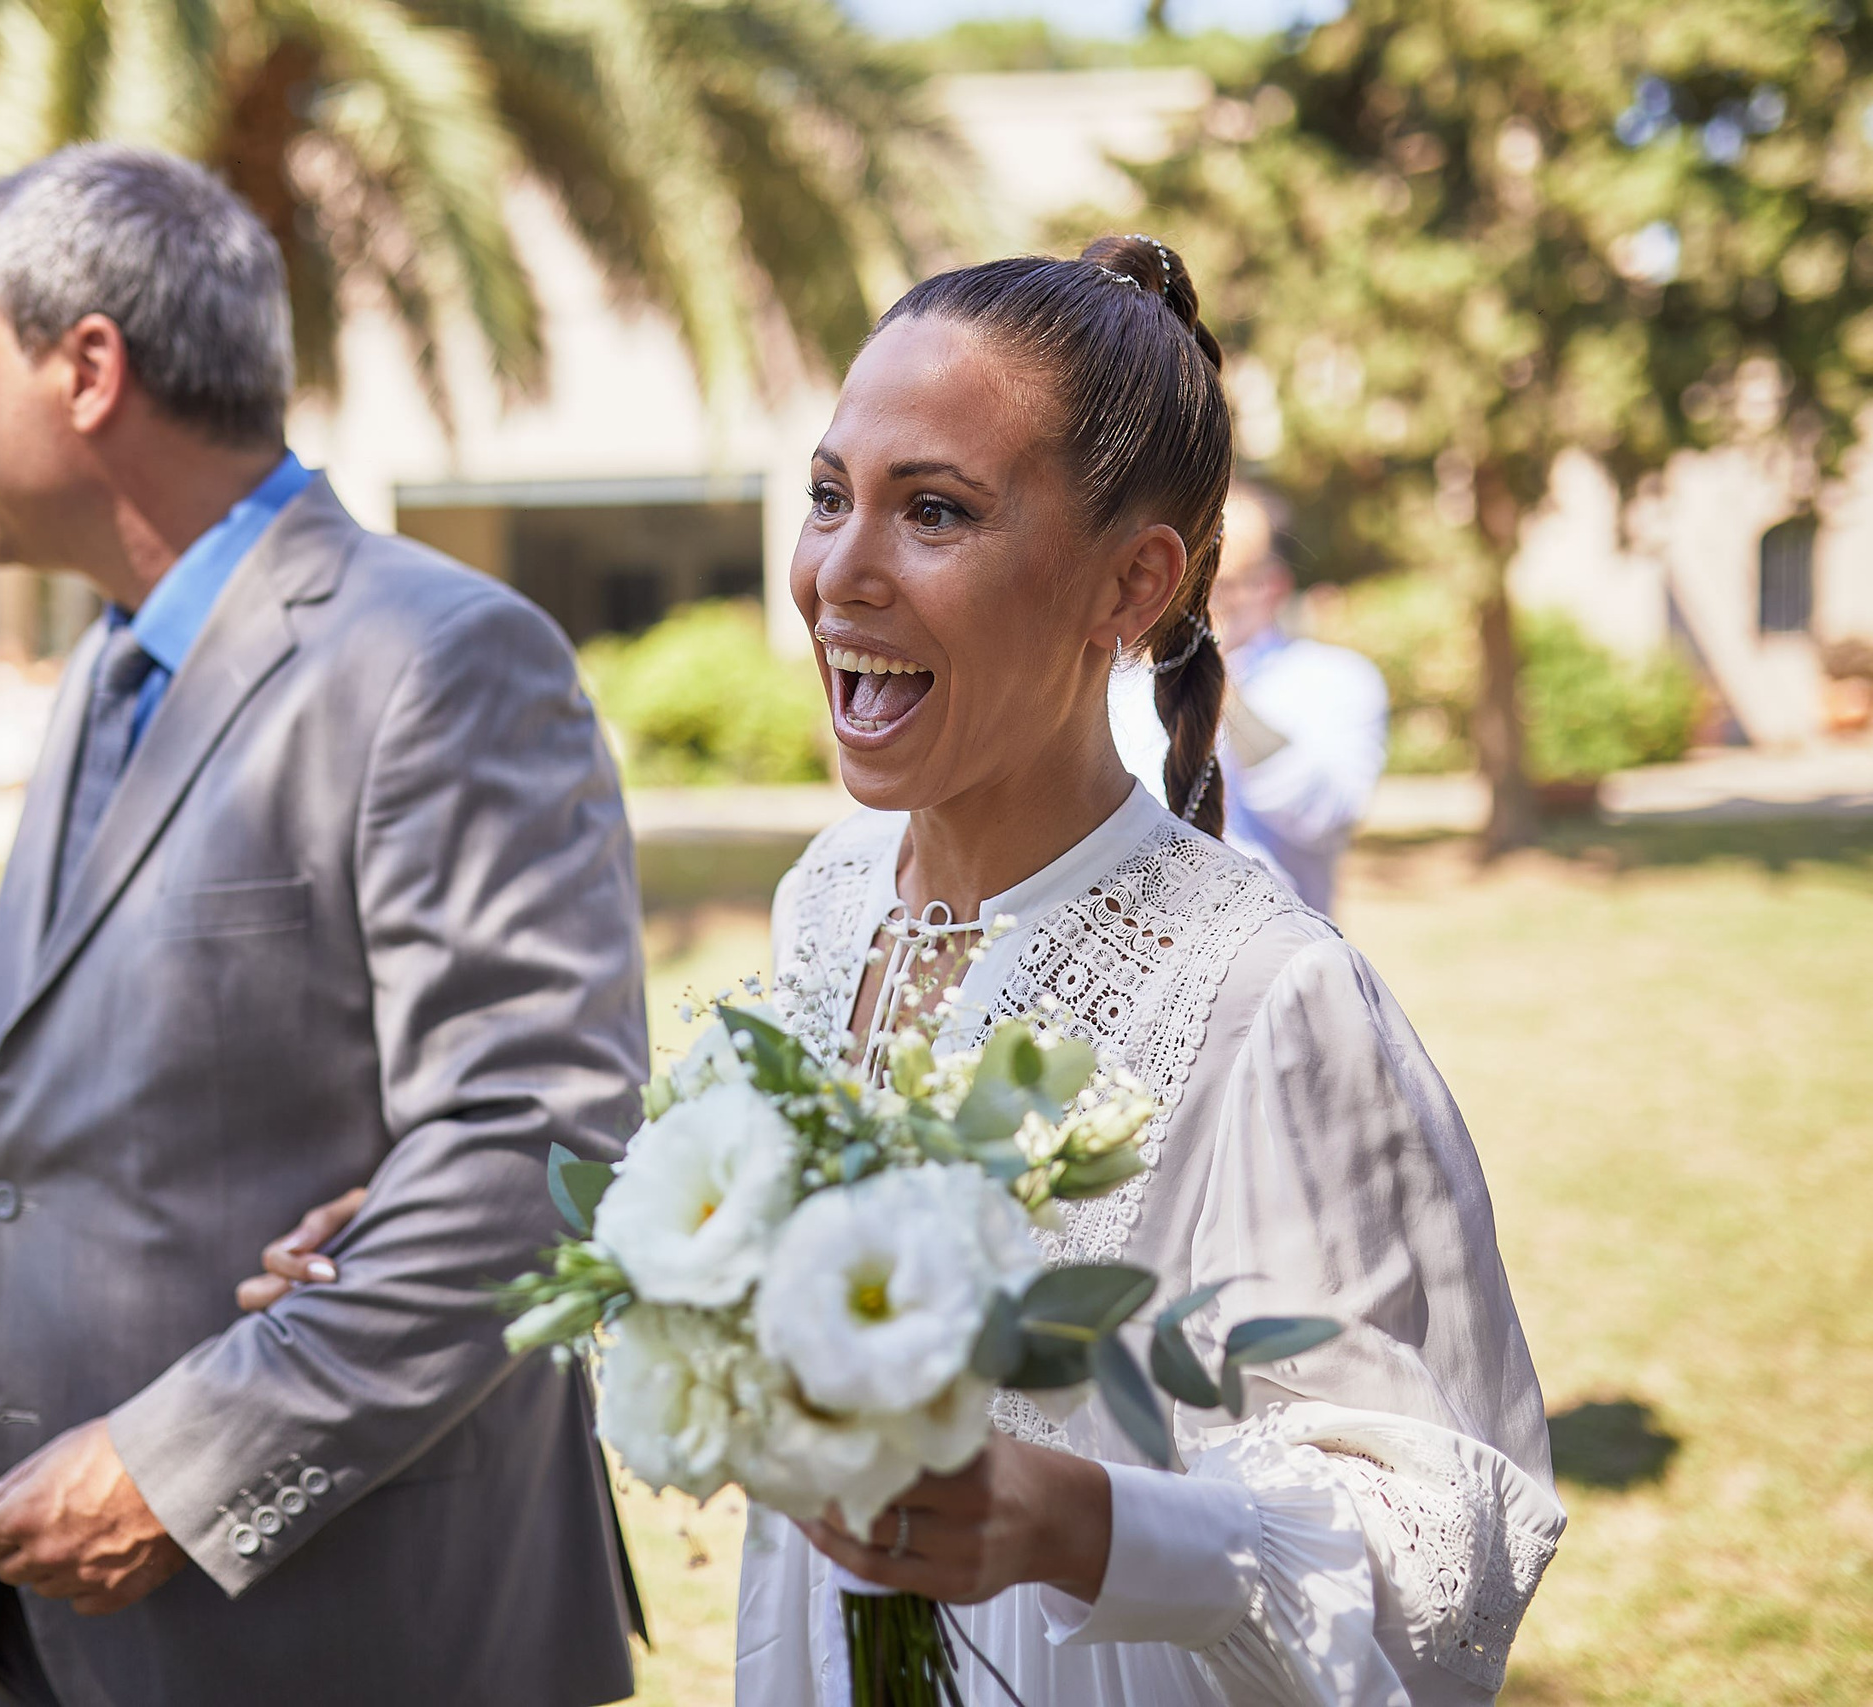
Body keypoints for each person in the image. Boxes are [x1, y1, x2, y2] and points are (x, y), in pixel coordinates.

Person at [266, 236, 1565, 1705]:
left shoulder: (1266, 995)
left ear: (1132, 583)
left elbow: (1438, 1560)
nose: (838, 572)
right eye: (830, 496)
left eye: (933, 510)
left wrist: (1083, 1521)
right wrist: (505, 1226)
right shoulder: (826, 899)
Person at [0, 143, 647, 1707]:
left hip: (355, 1628)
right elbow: (76, 1139)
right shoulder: (109, 664)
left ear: (87, 367)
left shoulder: (442, 660)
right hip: (60, 1609)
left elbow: (537, 1145)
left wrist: (183, 1469)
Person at [1112, 486, 1388, 915]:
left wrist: (1206, 676)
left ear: (1273, 587)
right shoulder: (1117, 680)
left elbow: (1326, 815)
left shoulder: (1335, 678)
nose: (1194, 600)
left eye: (1220, 583)